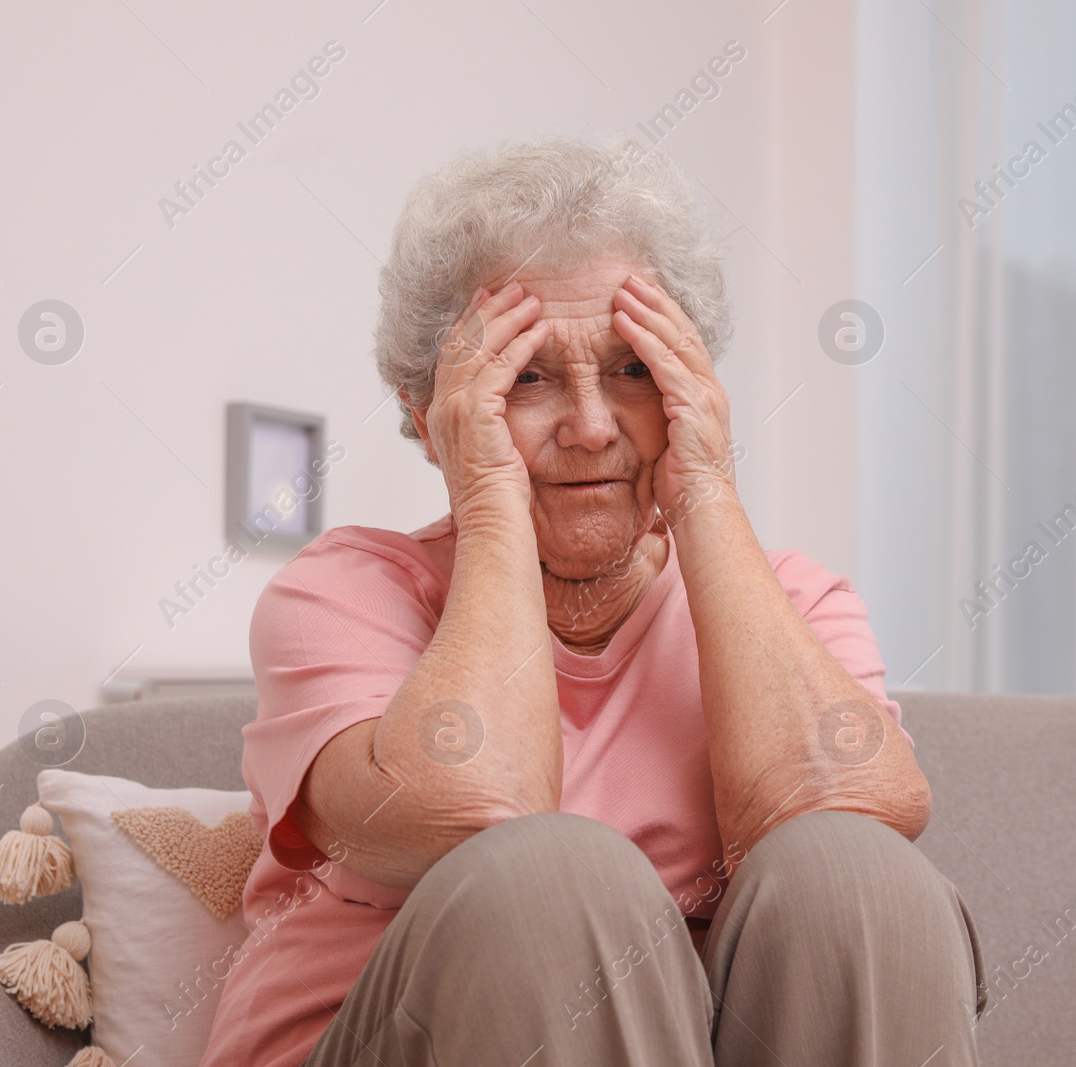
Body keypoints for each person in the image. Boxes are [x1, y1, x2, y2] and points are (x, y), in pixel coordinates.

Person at [198, 135, 985, 1067]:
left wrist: (705, 496)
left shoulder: (794, 600)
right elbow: (477, 807)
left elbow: (861, 807)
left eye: (633, 369)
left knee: (855, 870)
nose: (590, 425)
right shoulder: (343, 595)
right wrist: (491, 506)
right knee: (554, 875)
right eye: (525, 376)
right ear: (430, 412)